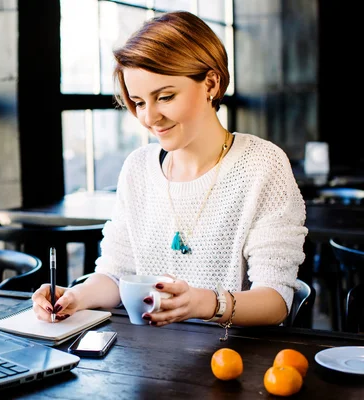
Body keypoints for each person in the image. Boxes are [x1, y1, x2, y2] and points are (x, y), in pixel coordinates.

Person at [32, 11, 308, 330]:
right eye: (138, 102)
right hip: (150, 358)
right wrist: (76, 298)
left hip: (232, 358)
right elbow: (116, 273)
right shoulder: (137, 168)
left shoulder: (262, 165)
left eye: (165, 97)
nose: (150, 118)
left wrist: (204, 304)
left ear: (211, 82)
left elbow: (275, 300)